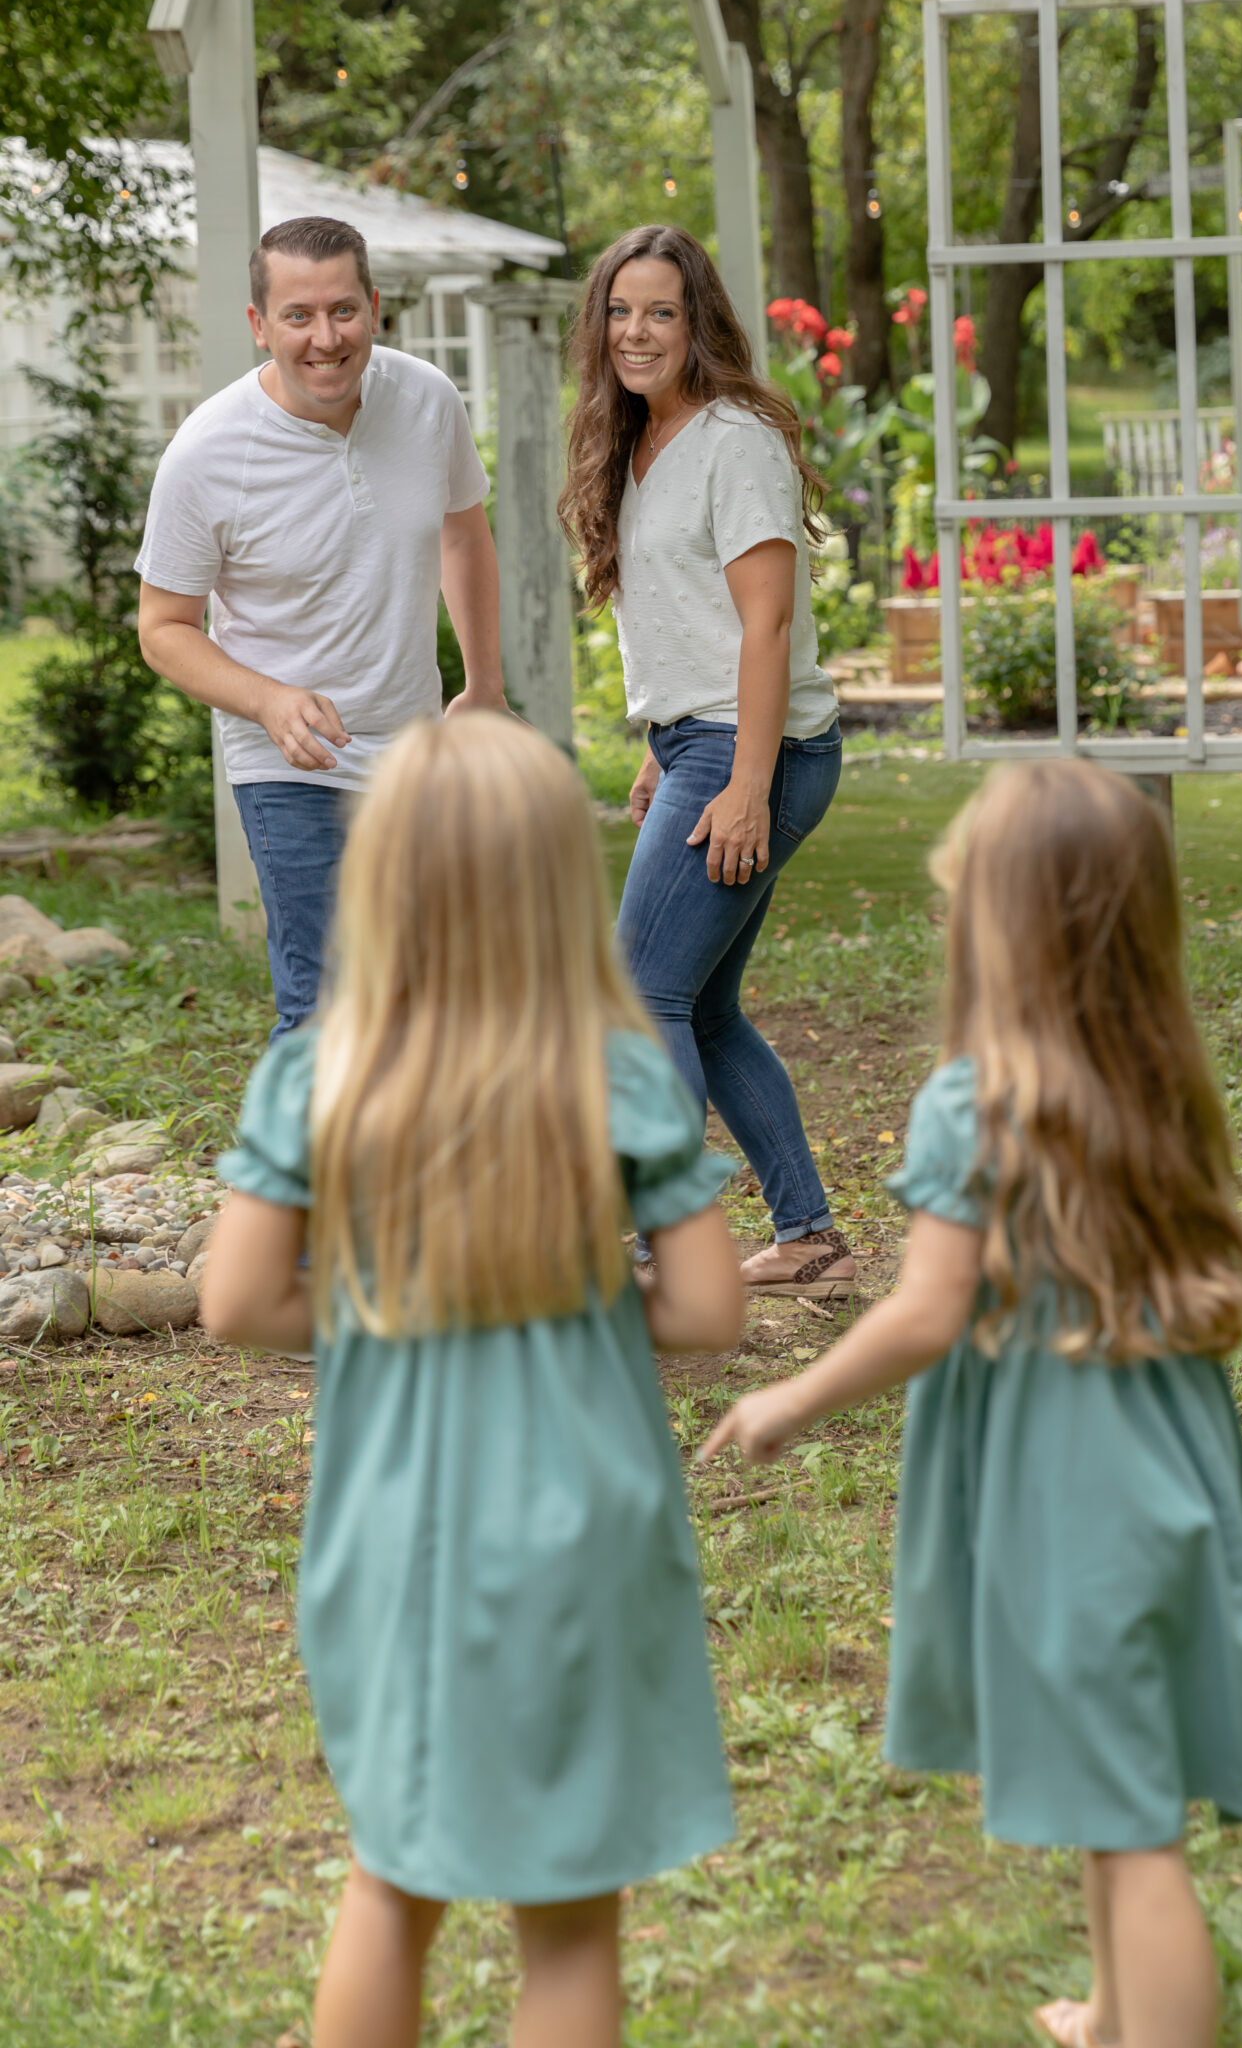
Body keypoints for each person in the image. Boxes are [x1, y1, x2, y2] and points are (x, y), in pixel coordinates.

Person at [703, 760, 1242, 2048]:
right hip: (1169, 1468)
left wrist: (790, 1399)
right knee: (1117, 1790)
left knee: (1133, 1833)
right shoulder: (1153, 1083)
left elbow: (926, 1310)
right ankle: (1114, 2010)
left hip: (1063, 1490)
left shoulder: (975, 1105)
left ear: (998, 933)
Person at [199, 713, 745, 2048]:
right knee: (567, 1920)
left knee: (393, 1876)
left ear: (379, 882)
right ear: (557, 887)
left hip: (399, 1536)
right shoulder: (614, 1075)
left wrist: (393, 1294)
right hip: (586, 1530)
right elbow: (714, 1311)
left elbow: (236, 1303)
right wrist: (573, 1291)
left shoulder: (315, 1077)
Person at [559, 224, 853, 1298]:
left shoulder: (734, 438)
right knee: (699, 1005)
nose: (636, 332)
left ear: (699, 324)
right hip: (704, 740)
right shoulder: (636, 439)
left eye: (661, 312)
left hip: (754, 747)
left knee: (642, 998)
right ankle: (809, 1237)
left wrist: (741, 784)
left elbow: (766, 628)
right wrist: (661, 747)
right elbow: (693, 622)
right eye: (620, 311)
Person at [136, 214, 504, 1038]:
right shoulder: (206, 454)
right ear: (260, 326)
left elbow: (463, 532)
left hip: (412, 752)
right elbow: (163, 627)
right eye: (298, 316)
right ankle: (307, 1168)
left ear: (374, 306)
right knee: (325, 1012)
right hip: (289, 763)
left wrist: (484, 687)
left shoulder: (427, 400)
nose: (324, 338)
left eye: (342, 311)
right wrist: (266, 700)